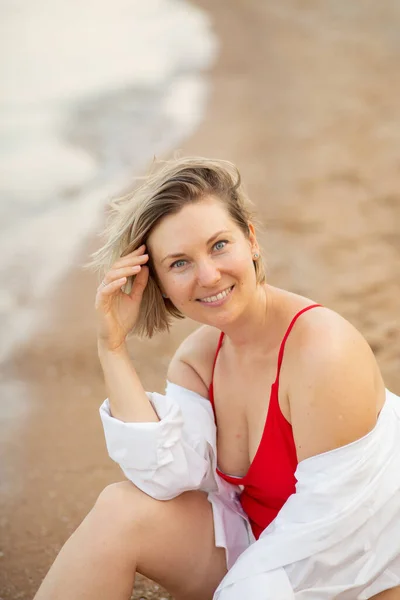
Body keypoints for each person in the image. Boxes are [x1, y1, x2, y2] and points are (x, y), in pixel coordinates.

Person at [34, 157, 400, 600]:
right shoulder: (199, 359)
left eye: (219, 245)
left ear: (251, 239)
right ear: (159, 283)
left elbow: (328, 539)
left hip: (352, 571)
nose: (208, 275)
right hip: (260, 552)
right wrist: (111, 346)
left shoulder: (322, 351)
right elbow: (163, 475)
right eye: (180, 263)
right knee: (119, 509)